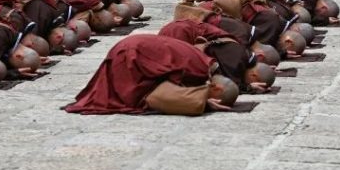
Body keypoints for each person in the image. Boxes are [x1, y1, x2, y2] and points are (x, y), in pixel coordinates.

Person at [64, 34, 239, 115]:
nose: (214, 99)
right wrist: (202, 100)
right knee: (134, 97)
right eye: (217, 98)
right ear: (216, 87)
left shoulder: (204, 63)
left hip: (134, 46)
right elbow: (168, 91)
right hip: (131, 54)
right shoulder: (199, 71)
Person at [158, 19, 276, 93]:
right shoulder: (238, 57)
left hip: (181, 29)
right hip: (180, 33)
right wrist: (248, 87)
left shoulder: (243, 55)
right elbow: (227, 85)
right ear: (254, 75)